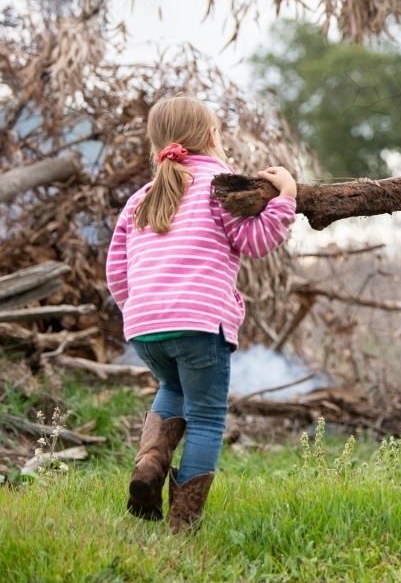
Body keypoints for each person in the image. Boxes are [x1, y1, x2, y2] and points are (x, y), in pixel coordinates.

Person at [105, 95, 297, 533]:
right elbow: (258, 241)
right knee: (207, 416)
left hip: (145, 327)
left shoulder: (140, 199)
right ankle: (183, 523)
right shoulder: (220, 186)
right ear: (212, 137)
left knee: (172, 385)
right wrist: (286, 196)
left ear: (157, 143)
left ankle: (150, 465)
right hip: (199, 323)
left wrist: (140, 310)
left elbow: (116, 270)